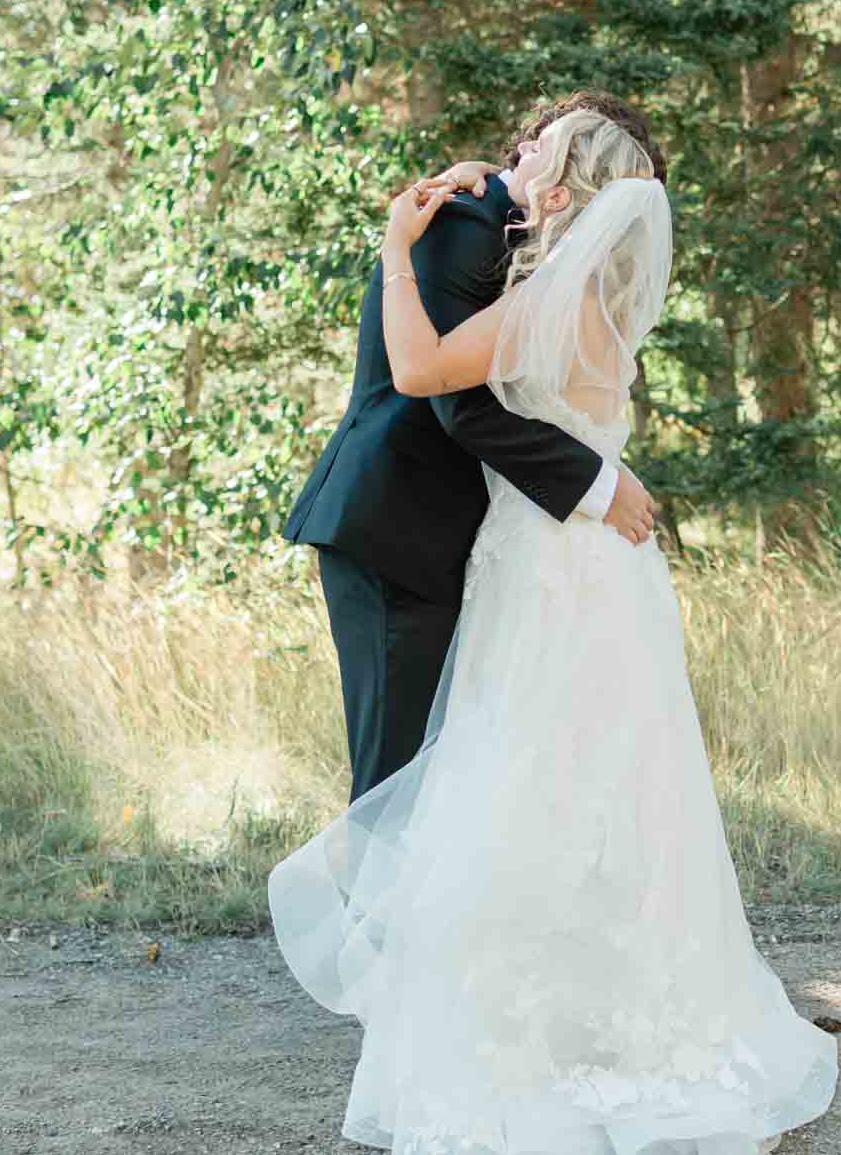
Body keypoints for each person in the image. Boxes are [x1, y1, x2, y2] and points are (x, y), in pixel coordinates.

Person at [269, 107, 838, 1155]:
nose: (509, 148)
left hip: (540, 561)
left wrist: (393, 243)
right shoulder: (504, 245)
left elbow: (438, 378)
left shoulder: (532, 277)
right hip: (492, 551)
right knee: (524, 781)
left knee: (520, 781)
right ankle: (470, 1008)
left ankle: (461, 1022)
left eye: (541, 142)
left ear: (570, 189)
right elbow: (449, 405)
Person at [281, 93, 663, 804]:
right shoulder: (460, 223)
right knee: (394, 781)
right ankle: (371, 918)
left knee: (453, 783)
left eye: (548, 145)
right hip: (395, 526)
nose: (527, 147)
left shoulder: (513, 234)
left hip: (458, 540)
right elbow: (457, 404)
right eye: (540, 138)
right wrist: (600, 485)